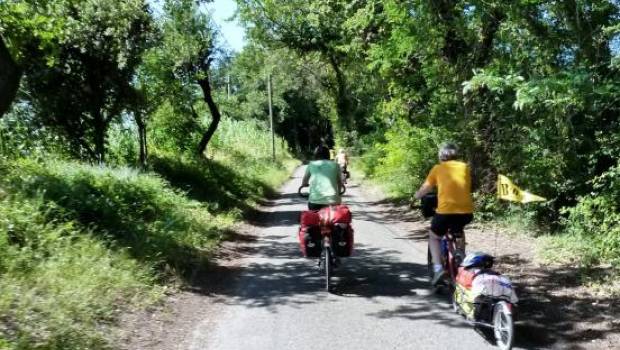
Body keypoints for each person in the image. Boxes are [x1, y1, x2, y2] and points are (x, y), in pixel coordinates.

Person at [415, 143, 474, 286]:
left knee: (434, 236)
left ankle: (438, 268)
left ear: (441, 156)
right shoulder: (465, 167)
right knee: (459, 229)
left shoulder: (438, 168)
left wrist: (416, 196)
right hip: (466, 212)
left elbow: (426, 187)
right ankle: (460, 254)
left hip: (446, 212)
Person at [302, 145, 344, 210]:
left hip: (314, 201)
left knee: (314, 218)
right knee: (335, 218)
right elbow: (339, 182)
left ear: (315, 155)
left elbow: (304, 181)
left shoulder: (311, 164)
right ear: (328, 155)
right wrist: (338, 193)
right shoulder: (336, 165)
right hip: (333, 200)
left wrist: (305, 184)